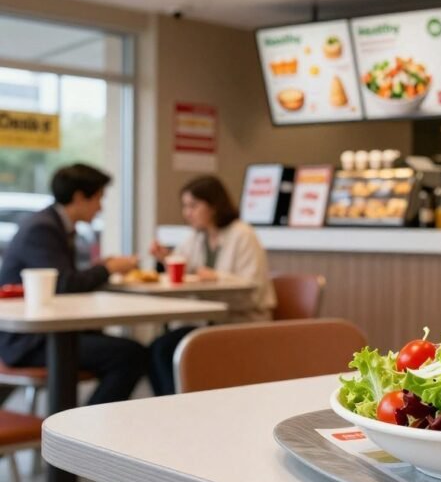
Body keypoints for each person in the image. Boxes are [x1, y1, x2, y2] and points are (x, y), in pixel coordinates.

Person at [0, 164, 147, 405]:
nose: (100, 207)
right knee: (130, 355)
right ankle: (82, 424)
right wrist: (108, 269)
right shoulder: (43, 228)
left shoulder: (53, 225)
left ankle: (84, 420)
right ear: (79, 197)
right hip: (28, 341)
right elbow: (65, 284)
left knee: (127, 350)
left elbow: (63, 279)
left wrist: (100, 268)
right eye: (99, 198)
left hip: (46, 333)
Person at [148, 176, 275, 395]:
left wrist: (215, 277)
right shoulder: (197, 237)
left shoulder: (243, 235)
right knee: (157, 349)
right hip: (208, 323)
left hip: (241, 323)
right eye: (185, 206)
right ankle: (172, 405)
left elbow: (253, 289)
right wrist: (165, 258)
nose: (187, 213)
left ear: (214, 206)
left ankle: (178, 405)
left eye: (193, 206)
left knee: (164, 349)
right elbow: (183, 267)